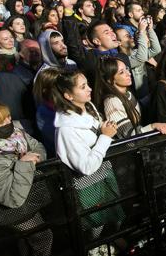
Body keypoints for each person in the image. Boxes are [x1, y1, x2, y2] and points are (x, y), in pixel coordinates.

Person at [0, 100, 52, 256]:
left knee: (27, 241)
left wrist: (35, 158)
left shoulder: (17, 134)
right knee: (43, 237)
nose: (8, 122)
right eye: (1, 121)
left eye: (8, 117)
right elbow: (13, 199)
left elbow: (38, 147)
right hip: (12, 213)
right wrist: (24, 164)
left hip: (30, 203)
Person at [52, 70, 125, 233]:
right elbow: (85, 166)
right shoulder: (66, 130)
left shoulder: (86, 110)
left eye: (88, 84)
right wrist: (105, 137)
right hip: (88, 186)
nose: (89, 89)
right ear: (68, 96)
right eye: (83, 86)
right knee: (96, 226)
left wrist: (104, 129)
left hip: (104, 174)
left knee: (116, 216)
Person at [94, 57, 166, 139]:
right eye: (121, 72)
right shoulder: (112, 102)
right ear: (110, 80)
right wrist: (153, 126)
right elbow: (128, 136)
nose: (128, 73)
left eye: (126, 69)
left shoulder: (127, 93)